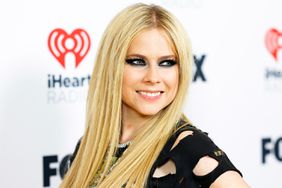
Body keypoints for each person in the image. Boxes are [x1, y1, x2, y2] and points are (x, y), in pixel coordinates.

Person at [60, 3, 250, 188]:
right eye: (137, 61)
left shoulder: (190, 147)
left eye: (167, 63)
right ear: (112, 67)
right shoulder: (90, 145)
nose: (153, 77)